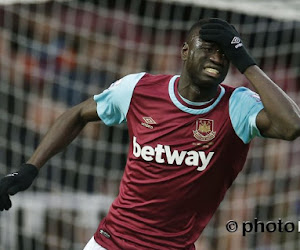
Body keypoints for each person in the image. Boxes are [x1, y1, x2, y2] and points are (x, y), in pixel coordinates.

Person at [0, 18, 300, 250]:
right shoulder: (138, 89)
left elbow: (292, 125)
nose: (217, 58)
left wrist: (245, 61)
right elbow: (77, 113)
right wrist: (30, 168)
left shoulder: (238, 105)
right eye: (207, 48)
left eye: (225, 53)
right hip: (110, 242)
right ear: (185, 51)